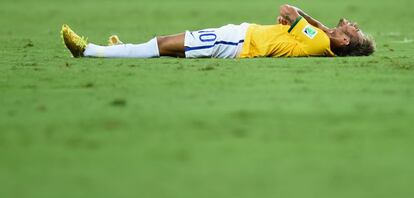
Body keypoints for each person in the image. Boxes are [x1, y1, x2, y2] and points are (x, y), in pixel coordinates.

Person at [61, 4, 375, 59]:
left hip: (237, 43)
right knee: (167, 45)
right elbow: (291, 19)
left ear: (344, 40)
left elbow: (287, 9)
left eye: (355, 30)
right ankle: (121, 48)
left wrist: (315, 24)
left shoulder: (320, 40)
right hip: (239, 37)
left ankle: (89, 51)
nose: (353, 23)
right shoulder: (320, 41)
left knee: (163, 44)